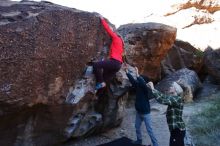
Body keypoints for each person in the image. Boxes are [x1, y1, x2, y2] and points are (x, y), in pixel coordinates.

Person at [125, 66, 159, 146]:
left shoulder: (146, 89)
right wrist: (127, 72)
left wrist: (137, 74)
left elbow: (142, 83)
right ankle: (139, 140)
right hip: (139, 112)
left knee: (150, 130)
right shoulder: (138, 86)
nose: (138, 80)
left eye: (140, 79)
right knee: (137, 127)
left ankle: (155, 144)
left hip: (146, 113)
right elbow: (132, 81)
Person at [147, 82, 186, 146]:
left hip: (178, 130)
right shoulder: (173, 98)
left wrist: (152, 88)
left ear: (175, 90)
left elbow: (162, 100)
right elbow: (163, 96)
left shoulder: (177, 99)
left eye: (172, 86)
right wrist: (152, 89)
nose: (170, 87)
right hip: (175, 130)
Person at [93, 14, 124, 91]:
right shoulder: (121, 44)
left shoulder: (116, 38)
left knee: (96, 65)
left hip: (114, 62)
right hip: (118, 66)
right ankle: (98, 93)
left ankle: (100, 82)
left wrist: (102, 19)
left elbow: (108, 30)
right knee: (105, 78)